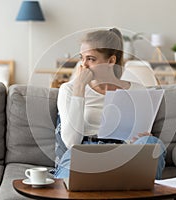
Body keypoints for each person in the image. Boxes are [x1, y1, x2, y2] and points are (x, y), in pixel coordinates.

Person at [53, 28, 166, 179]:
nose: (83, 65)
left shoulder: (137, 90)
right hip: (85, 151)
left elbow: (141, 133)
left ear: (111, 61)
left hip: (125, 151)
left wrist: (143, 138)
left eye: (91, 59)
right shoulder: (69, 90)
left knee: (151, 143)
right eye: (82, 58)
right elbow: (71, 142)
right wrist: (79, 89)